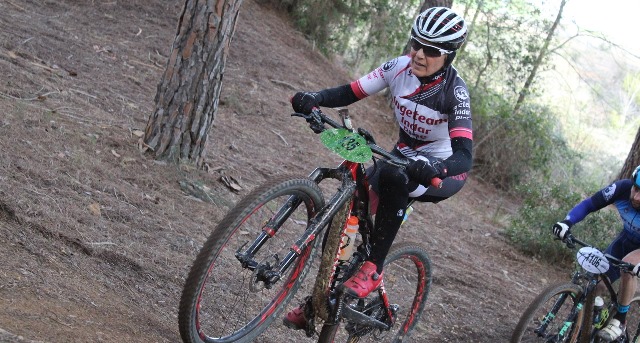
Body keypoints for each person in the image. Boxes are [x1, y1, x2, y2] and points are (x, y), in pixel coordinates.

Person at [283, 7, 473, 331]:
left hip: (443, 169)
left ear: (449, 56)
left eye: (431, 50)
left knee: (392, 175)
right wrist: (313, 98)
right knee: (348, 217)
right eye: (416, 43)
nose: (419, 54)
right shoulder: (399, 68)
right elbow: (349, 91)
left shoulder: (454, 93)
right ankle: (319, 302)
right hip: (404, 153)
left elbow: (464, 155)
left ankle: (374, 267)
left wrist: (435, 167)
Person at [552, 165, 640, 342]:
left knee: (628, 265)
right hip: (625, 241)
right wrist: (566, 223)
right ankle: (598, 316)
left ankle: (620, 321)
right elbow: (589, 204)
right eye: (636, 189)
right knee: (596, 286)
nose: (637, 197)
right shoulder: (622, 188)